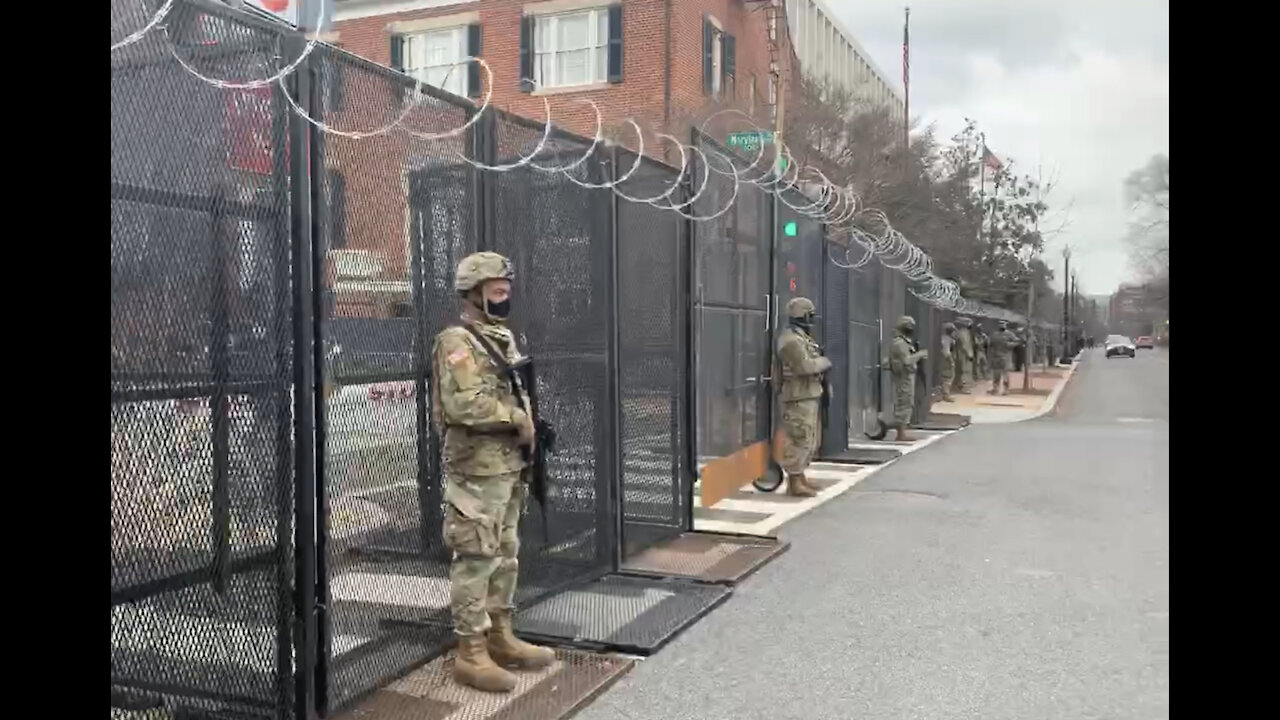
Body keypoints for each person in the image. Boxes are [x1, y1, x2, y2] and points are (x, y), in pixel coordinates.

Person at [431, 251, 556, 693]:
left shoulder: (501, 336)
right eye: (496, 292)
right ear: (474, 294)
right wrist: (517, 420)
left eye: (506, 292)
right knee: (477, 557)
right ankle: (471, 652)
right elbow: (463, 404)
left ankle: (500, 636)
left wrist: (532, 426)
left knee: (505, 554)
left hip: (507, 466)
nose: (504, 299)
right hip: (478, 470)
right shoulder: (457, 342)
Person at [775, 297, 831, 497]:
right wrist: (824, 362)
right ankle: (794, 482)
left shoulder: (801, 337)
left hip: (808, 393)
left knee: (809, 439)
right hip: (798, 396)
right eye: (810, 315)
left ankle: (800, 477)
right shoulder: (791, 340)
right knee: (799, 437)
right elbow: (805, 367)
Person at [889, 316, 928, 441]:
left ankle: (902, 431)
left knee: (907, 403)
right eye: (908, 326)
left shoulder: (905, 342)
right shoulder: (900, 343)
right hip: (903, 377)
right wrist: (919, 354)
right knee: (904, 403)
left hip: (908, 376)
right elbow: (906, 360)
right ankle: (900, 433)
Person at [988, 320, 1018, 396]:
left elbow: (1017, 342)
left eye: (1003, 324)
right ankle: (995, 389)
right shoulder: (995, 334)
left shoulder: (1010, 334)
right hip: (996, 357)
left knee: (1005, 375)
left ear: (1006, 325)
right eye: (1000, 324)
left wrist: (1009, 345)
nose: (1002, 326)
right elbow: (990, 345)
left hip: (1006, 357)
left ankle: (1006, 390)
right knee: (996, 374)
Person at [953, 317, 975, 394]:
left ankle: (958, 386)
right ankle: (964, 387)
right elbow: (965, 345)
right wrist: (970, 354)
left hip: (960, 354)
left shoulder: (960, 332)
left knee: (959, 371)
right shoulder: (964, 333)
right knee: (965, 371)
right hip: (963, 355)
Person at [939, 321, 956, 403]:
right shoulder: (948, 339)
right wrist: (951, 361)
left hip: (941, 358)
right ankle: (946, 394)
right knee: (948, 377)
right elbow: (947, 352)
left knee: (944, 376)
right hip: (946, 358)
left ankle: (943, 393)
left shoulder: (942, 337)